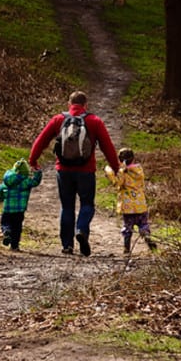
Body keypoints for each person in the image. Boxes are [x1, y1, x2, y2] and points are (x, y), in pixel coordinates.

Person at [28, 90, 120, 256]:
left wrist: (33, 160)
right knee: (87, 204)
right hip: (86, 172)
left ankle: (67, 245)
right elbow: (108, 147)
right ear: (86, 105)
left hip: (63, 171)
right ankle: (82, 230)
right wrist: (116, 168)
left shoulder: (58, 119)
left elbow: (41, 140)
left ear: (69, 104)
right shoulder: (94, 121)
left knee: (67, 206)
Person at [104, 147, 157, 254]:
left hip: (128, 207)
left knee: (128, 227)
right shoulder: (139, 170)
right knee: (143, 224)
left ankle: (126, 248)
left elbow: (118, 183)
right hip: (140, 205)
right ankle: (147, 237)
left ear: (120, 160)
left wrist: (109, 171)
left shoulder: (123, 173)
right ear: (133, 158)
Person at [0, 159, 43, 251]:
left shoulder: (7, 181)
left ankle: (6, 231)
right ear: (26, 172)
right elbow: (35, 182)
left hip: (7, 209)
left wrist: (1, 198)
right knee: (17, 228)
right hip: (19, 211)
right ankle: (14, 246)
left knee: (5, 223)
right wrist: (38, 172)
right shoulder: (26, 181)